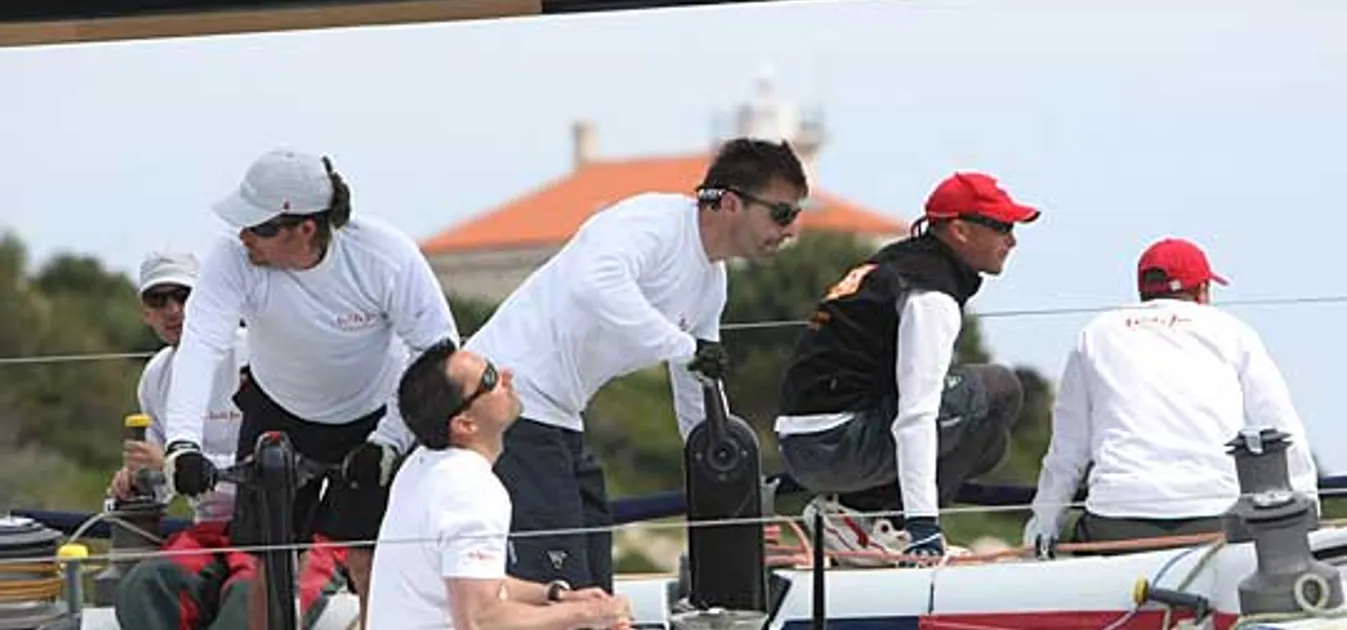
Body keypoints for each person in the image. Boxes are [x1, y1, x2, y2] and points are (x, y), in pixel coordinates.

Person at [465, 137, 809, 592]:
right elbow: (596, 284)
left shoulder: (713, 283)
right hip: (504, 402)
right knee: (558, 588)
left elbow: (698, 386)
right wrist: (682, 345)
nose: (791, 230)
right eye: (782, 213)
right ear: (730, 203)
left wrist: (729, 476)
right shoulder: (651, 222)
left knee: (595, 585)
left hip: (559, 416)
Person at [162, 148, 461, 630]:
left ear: (305, 228)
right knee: (267, 561)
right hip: (277, 411)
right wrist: (182, 443)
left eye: (258, 227)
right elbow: (201, 346)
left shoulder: (383, 256)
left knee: (369, 559)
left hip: (372, 417)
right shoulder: (232, 258)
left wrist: (390, 440)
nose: (243, 236)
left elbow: (437, 350)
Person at [774, 171, 1037, 566]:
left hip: (801, 446)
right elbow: (917, 412)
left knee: (990, 441)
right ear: (960, 230)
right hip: (838, 446)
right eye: (1002, 227)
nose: (1012, 240)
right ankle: (886, 528)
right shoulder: (931, 295)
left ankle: (855, 517)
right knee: (999, 388)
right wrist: (922, 527)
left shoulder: (895, 264)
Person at [1023, 237, 1319, 553]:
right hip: (1216, 518)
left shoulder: (1096, 333)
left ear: (1142, 291)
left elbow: (1067, 449)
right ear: (1202, 290)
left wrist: (1044, 523)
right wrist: (1308, 507)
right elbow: (1280, 427)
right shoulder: (1233, 331)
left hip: (1117, 521)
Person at [111, 250, 349, 630]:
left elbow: (288, 465)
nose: (173, 310)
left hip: (290, 528)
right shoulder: (156, 376)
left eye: (183, 296)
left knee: (250, 598)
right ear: (146, 312)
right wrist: (135, 482)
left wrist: (170, 464)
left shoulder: (259, 354)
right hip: (213, 529)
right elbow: (163, 490)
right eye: (158, 299)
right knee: (144, 586)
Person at [366, 338, 633, 630]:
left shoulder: (422, 465)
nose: (507, 376)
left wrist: (556, 595)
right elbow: (478, 621)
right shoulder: (471, 490)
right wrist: (591, 614)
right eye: (490, 379)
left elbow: (471, 580)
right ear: (465, 424)